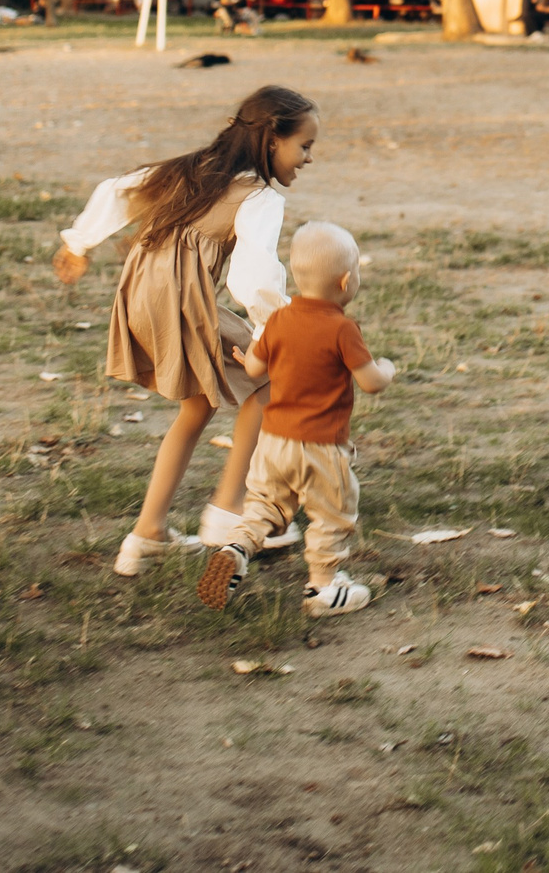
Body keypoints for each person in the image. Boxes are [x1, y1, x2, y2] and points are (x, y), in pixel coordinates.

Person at [54, 85, 318, 577]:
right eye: (304, 146)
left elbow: (118, 188)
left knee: (195, 408)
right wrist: (269, 330)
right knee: (268, 382)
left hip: (141, 300)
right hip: (181, 305)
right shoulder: (259, 197)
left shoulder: (190, 168)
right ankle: (229, 509)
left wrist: (80, 242)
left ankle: (146, 534)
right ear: (272, 140)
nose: (308, 159)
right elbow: (253, 276)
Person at [200, 221, 397, 618]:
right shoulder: (343, 329)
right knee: (332, 514)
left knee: (264, 507)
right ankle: (323, 588)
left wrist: (244, 358)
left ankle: (236, 549)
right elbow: (371, 383)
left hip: (273, 442)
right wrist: (387, 369)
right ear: (345, 282)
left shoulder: (277, 320)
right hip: (322, 448)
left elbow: (255, 367)